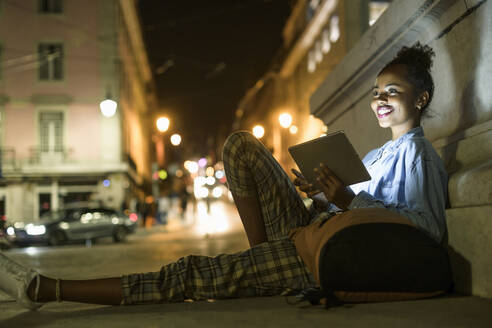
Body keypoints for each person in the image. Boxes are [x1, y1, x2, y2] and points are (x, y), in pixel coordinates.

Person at [0, 43, 447, 310]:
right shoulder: (378, 152)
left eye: (393, 92)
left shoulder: (419, 156)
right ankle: (263, 260)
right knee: (240, 145)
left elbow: (425, 232)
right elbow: (355, 210)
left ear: (421, 97)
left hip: (323, 253)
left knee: (190, 275)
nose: (381, 100)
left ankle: (46, 287)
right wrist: (324, 195)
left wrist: (347, 202)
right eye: (376, 93)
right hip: (318, 229)